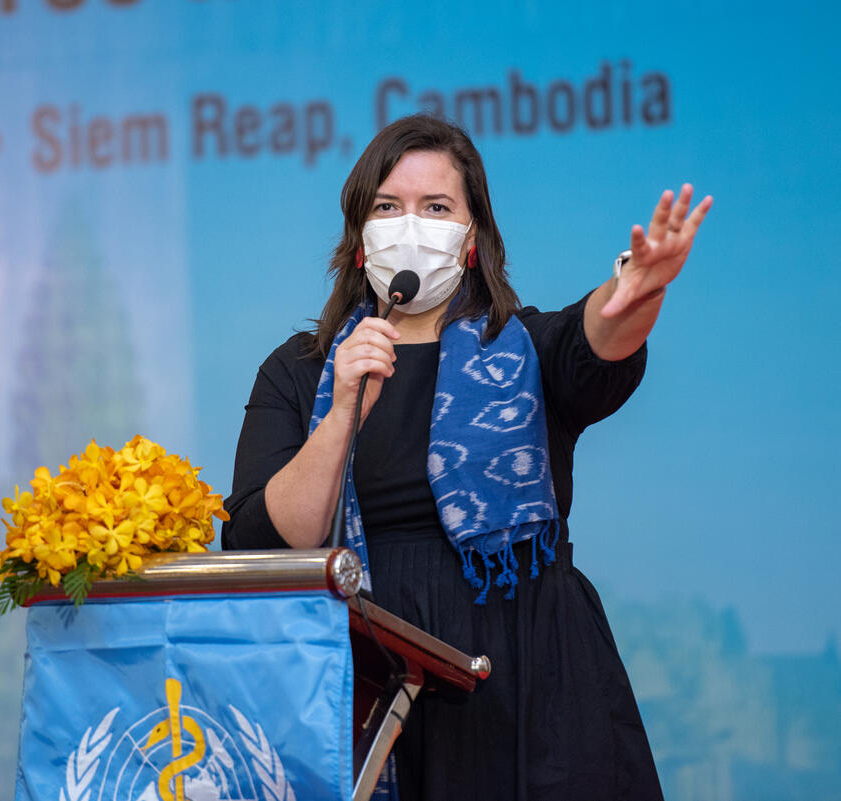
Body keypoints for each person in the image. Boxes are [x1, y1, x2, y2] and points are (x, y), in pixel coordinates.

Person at [221, 113, 712, 801]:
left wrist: (637, 289)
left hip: (527, 679)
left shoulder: (526, 349)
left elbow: (598, 338)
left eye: (436, 207)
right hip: (366, 683)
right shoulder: (299, 372)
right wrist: (340, 417)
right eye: (387, 207)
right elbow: (263, 542)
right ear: (359, 238)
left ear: (472, 235)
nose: (411, 226)